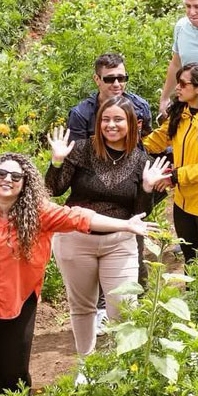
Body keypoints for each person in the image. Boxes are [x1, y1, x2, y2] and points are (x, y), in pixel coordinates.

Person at [0, 152, 155, 396]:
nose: (7, 179)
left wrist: (125, 225)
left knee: (14, 370)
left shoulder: (38, 211)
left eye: (15, 176)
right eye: (2, 173)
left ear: (25, 182)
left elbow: (80, 218)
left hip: (19, 300)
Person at [46, 97, 170, 355]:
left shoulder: (140, 161)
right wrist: (57, 161)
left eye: (118, 119)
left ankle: (120, 367)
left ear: (132, 124)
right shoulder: (81, 150)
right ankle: (86, 365)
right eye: (105, 119)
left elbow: (139, 214)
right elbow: (53, 189)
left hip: (119, 242)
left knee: (124, 308)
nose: (110, 125)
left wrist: (147, 188)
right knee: (82, 307)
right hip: (76, 239)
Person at [143, 62, 198, 263]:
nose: (177, 88)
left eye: (183, 84)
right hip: (183, 200)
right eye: (178, 83)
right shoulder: (181, 114)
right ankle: (193, 293)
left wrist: (174, 177)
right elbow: (158, 139)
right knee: (190, 259)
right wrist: (131, 148)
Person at [66, 52, 152, 142]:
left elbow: (147, 143)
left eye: (121, 78)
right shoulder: (81, 115)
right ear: (97, 79)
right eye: (109, 79)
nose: (116, 84)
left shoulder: (140, 106)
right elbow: (77, 153)